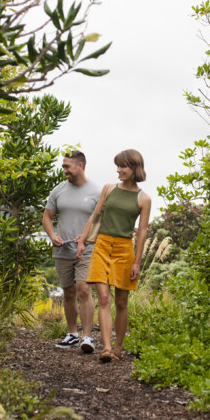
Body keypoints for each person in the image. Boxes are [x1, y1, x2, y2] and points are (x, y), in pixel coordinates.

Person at [78, 149, 151, 363]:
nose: (118, 170)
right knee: (103, 297)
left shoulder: (143, 198)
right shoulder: (108, 189)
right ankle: (106, 348)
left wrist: (137, 262)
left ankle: (118, 347)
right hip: (102, 245)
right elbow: (96, 214)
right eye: (117, 166)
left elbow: (143, 231)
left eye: (123, 166)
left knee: (121, 302)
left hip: (124, 249)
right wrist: (82, 240)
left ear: (135, 168)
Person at [42, 150, 102, 353]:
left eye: (67, 166)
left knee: (83, 289)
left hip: (87, 250)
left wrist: (86, 238)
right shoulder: (58, 190)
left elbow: (102, 221)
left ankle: (87, 338)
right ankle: (71, 335)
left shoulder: (97, 191)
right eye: (63, 166)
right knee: (68, 292)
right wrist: (52, 235)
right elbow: (47, 217)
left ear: (80, 166)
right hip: (62, 250)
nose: (64, 169)